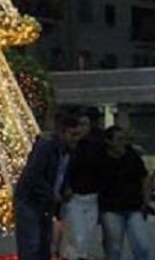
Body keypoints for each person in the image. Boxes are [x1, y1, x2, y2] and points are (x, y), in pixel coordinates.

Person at [14, 114, 83, 260]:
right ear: (62, 132)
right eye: (73, 134)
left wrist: (64, 189)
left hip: (45, 201)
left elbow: (61, 174)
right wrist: (52, 193)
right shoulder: (46, 147)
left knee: (44, 244)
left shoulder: (68, 152)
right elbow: (33, 175)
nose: (76, 139)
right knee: (32, 243)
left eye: (78, 135)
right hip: (30, 200)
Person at [97, 126, 150, 260]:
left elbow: (144, 177)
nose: (123, 143)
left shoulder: (132, 156)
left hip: (133, 207)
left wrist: (146, 201)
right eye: (119, 139)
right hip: (110, 208)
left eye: (124, 139)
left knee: (142, 245)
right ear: (109, 142)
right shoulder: (101, 159)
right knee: (113, 248)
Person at [61, 111, 102, 260]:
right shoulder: (69, 146)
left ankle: (79, 256)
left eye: (85, 125)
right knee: (78, 235)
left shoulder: (96, 146)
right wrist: (65, 188)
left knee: (87, 234)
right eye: (79, 124)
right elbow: (62, 170)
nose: (81, 129)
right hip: (74, 197)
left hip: (92, 197)